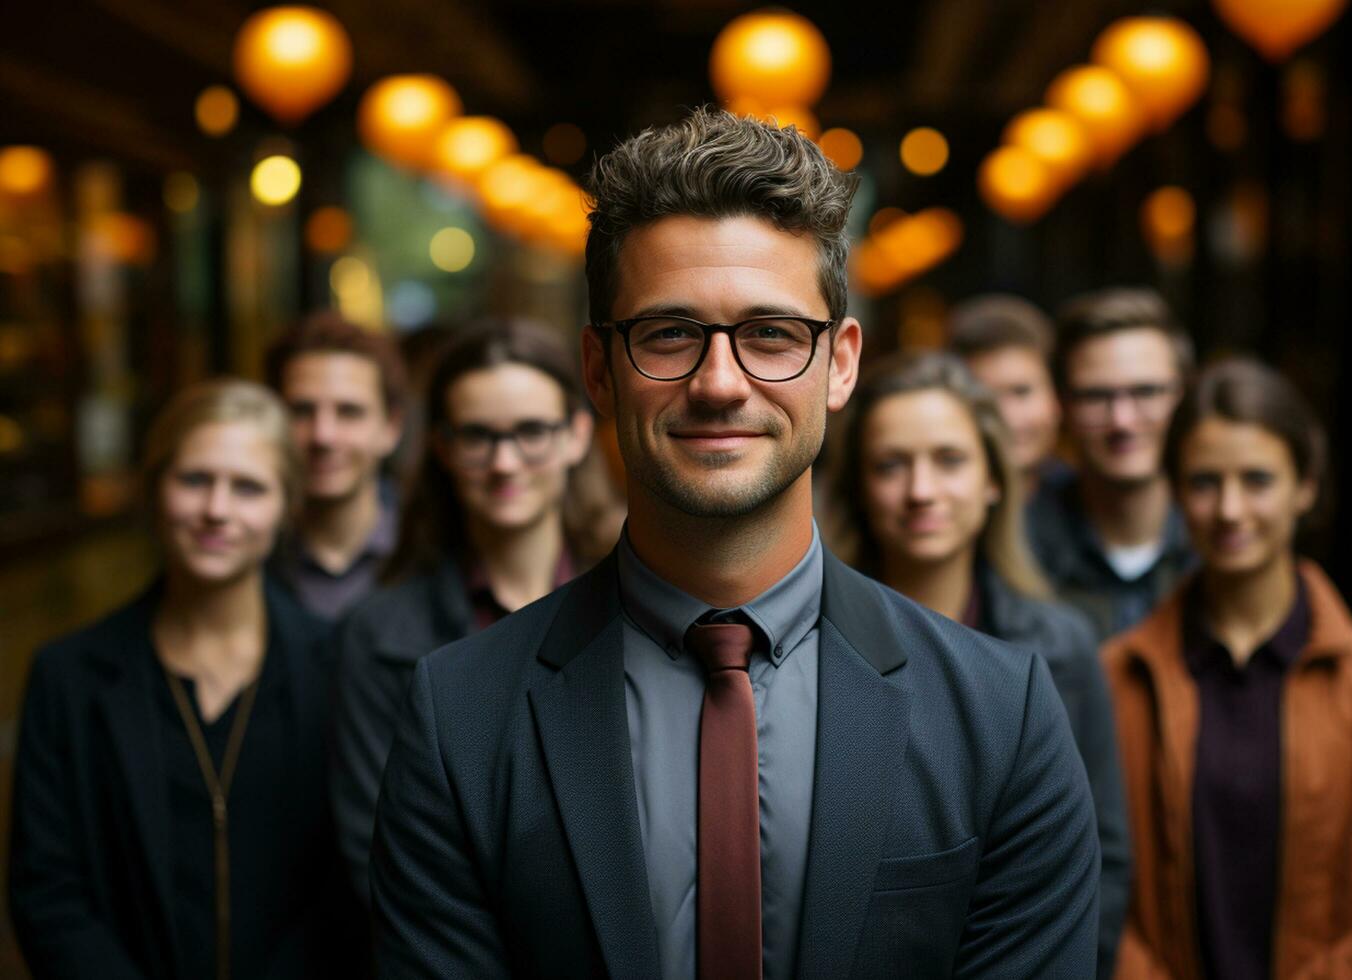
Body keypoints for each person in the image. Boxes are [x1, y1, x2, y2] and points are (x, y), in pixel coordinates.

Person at [370, 106, 1098, 979]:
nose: (721, 384)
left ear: (842, 364)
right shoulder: (460, 720)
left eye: (772, 336)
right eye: (669, 333)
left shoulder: (999, 714)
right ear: (599, 370)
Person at [1104, 359, 1352, 979]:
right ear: (1177, 493)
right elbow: (1097, 890)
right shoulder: (1120, 677)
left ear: (1307, 487)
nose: (1231, 509)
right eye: (1205, 482)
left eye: (1258, 479)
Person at [9, 380, 359, 979]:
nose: (217, 510)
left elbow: (350, 881)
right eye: (195, 480)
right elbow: (47, 891)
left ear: (287, 509)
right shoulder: (68, 676)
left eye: (248, 487)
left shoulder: (340, 667)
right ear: (154, 490)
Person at [825, 349, 1130, 978]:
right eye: (891, 465)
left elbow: (1104, 860)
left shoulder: (1059, 648)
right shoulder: (808, 640)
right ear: (859, 486)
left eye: (950, 460)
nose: (921, 490)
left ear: (994, 479)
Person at [330, 317, 618, 901]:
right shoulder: (380, 634)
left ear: (577, 435)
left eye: (531, 431)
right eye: (477, 436)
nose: (505, 463)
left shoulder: (639, 601)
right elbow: (377, 856)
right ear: (441, 446)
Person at [1028, 287, 1196, 638]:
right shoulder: (1017, 553)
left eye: (1146, 392)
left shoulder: (1219, 541)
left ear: (1184, 397)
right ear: (1062, 406)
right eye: (1096, 396)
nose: (1122, 421)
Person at [266, 312, 407, 620]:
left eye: (349, 411)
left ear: (391, 428)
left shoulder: (428, 553)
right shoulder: (246, 550)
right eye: (302, 411)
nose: (323, 436)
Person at [948, 293, 1068, 497]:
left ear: (1056, 397)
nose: (1007, 416)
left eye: (1021, 392)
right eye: (985, 397)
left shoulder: (1095, 505)